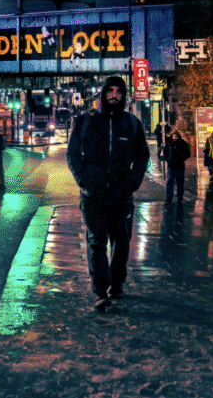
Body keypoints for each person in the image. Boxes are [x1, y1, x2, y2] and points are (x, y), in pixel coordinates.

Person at [66, 76, 150, 311]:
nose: (114, 95)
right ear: (103, 94)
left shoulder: (132, 123)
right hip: (93, 195)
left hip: (122, 195)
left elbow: (142, 155)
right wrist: (83, 180)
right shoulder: (86, 121)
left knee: (122, 241)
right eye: (110, 91)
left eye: (118, 91)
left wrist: (133, 181)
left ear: (124, 95)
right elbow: (73, 153)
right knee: (97, 241)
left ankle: (117, 282)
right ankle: (100, 291)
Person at [164, 129, 191, 204]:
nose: (174, 138)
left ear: (178, 136)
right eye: (173, 136)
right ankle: (169, 197)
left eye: (176, 136)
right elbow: (165, 152)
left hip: (180, 166)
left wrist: (182, 159)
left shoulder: (183, 143)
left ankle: (180, 197)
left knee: (180, 183)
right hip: (171, 166)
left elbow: (188, 153)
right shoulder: (169, 143)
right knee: (170, 181)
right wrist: (168, 160)